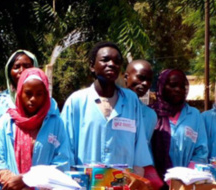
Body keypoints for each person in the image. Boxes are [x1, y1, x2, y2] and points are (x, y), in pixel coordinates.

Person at [60, 42, 154, 171]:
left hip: (122, 181)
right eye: (105, 60)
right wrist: (73, 177)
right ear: (92, 66)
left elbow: (139, 148)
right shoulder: (76, 101)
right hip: (85, 181)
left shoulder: (131, 101)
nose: (111, 64)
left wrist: (136, 178)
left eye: (117, 62)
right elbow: (65, 146)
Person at [151, 69, 208, 178]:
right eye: (173, 85)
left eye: (182, 86)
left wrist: (186, 176)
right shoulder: (151, 114)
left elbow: (201, 151)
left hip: (186, 181)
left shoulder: (195, 115)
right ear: (162, 86)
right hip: (155, 182)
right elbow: (144, 151)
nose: (178, 89)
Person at [0, 50, 38, 156]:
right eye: (16, 67)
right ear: (9, 72)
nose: (22, 70)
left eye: (27, 66)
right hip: (3, 163)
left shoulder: (48, 103)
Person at [124, 59, 158, 142]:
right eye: (141, 78)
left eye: (149, 80)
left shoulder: (150, 115)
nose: (145, 83)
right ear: (126, 77)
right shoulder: (111, 106)